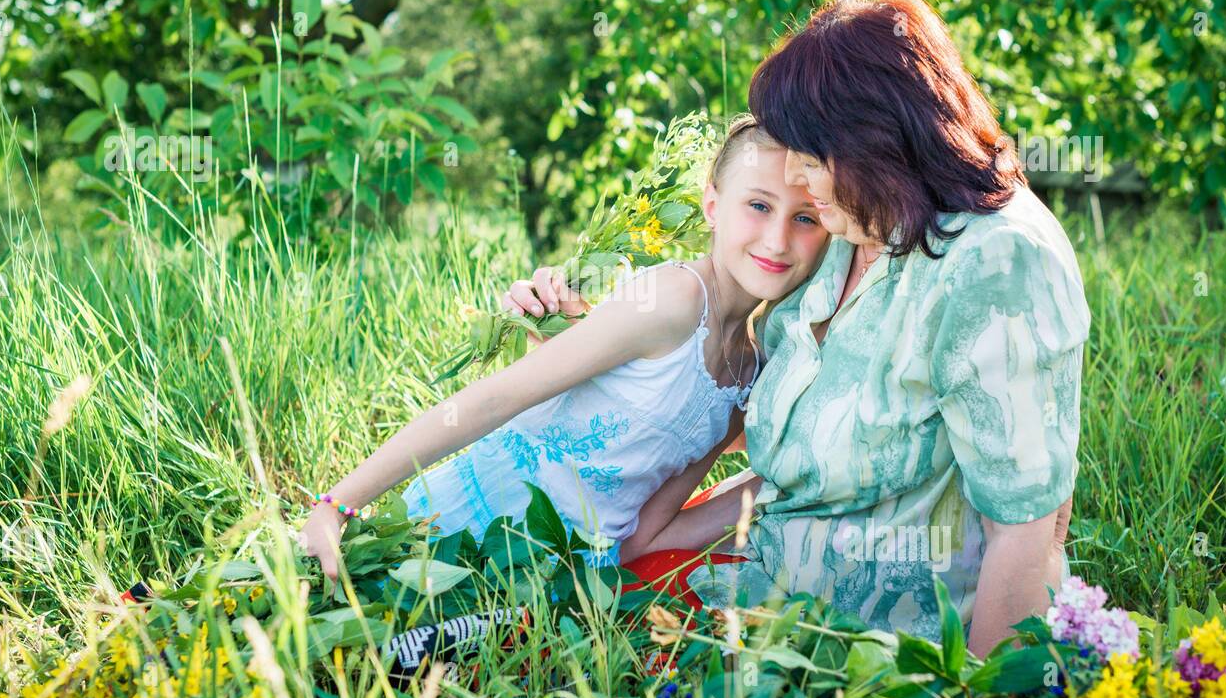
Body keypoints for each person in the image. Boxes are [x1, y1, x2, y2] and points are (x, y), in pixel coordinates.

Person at [503, 0, 1090, 656]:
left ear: (874, 139)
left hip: (871, 643)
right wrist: (602, 342)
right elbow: (775, 422)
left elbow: (1028, 525)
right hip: (758, 572)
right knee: (530, 606)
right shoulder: (857, 224)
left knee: (558, 646)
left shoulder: (996, 259)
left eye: (810, 157)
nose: (798, 181)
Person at [298, 116, 830, 581]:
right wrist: (338, 504)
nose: (778, 239)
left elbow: (644, 539)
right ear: (713, 204)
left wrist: (780, 488)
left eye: (804, 218)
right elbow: (494, 400)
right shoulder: (672, 300)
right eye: (758, 205)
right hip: (460, 525)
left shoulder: (746, 381)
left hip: (551, 586)